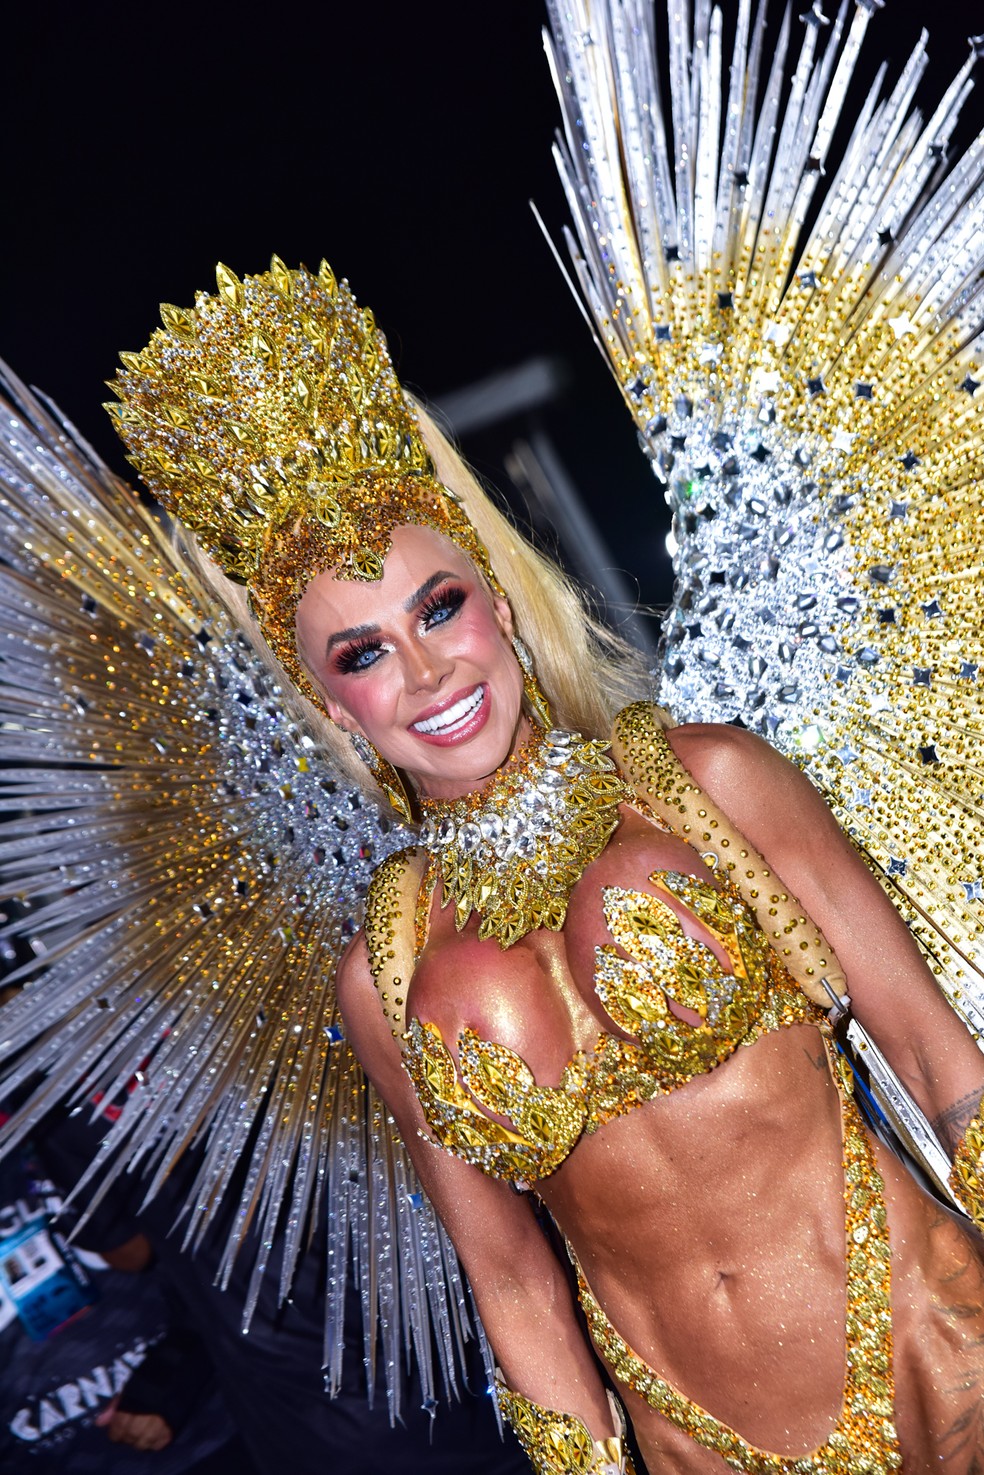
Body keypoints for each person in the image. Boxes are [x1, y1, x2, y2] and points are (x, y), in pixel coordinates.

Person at [100, 244, 984, 1473]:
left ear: (500, 602)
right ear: (329, 703)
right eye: (361, 656)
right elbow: (512, 1282)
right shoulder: (385, 972)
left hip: (940, 1350)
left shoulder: (706, 778)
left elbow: (939, 1057)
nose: (426, 673)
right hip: (700, 1447)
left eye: (438, 607)